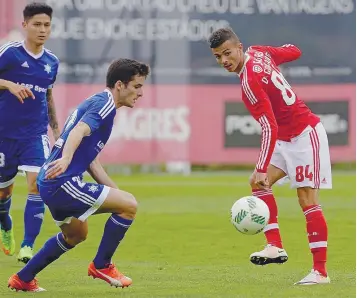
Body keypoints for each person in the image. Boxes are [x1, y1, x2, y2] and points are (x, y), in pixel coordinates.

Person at [8, 58, 150, 292]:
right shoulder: (104, 103)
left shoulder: (101, 104)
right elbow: (79, 130)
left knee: (76, 235)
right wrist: (65, 158)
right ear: (119, 85)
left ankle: (23, 278)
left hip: (51, 182)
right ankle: (102, 265)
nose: (140, 93)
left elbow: (91, 161)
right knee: (129, 205)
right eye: (137, 86)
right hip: (62, 182)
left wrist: (117, 194)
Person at [208, 27, 331, 285]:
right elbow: (294, 51)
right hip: (286, 138)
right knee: (257, 184)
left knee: (306, 199)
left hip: (305, 135)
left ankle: (320, 272)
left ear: (239, 47)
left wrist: (262, 166)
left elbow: (268, 126)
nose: (224, 61)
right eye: (218, 57)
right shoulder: (260, 52)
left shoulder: (249, 83)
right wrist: (281, 52)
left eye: (227, 53)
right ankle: (274, 246)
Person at [0, 2, 60, 263]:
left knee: (38, 185)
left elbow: (48, 94)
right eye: (37, 24)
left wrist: (56, 130)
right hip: (4, 134)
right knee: (3, 193)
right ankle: (5, 223)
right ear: (24, 25)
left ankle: (27, 246)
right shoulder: (10, 54)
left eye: (47, 25)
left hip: (34, 135)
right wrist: (9, 84)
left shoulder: (52, 62)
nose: (42, 29)